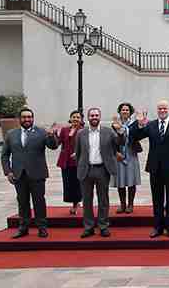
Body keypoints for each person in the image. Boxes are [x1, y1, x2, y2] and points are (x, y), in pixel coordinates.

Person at [131, 100, 169, 238]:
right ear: (157, 110)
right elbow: (136, 136)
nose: (162, 110)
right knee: (157, 199)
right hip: (155, 168)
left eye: (164, 108)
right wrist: (138, 123)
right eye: (160, 108)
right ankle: (157, 227)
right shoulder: (151, 125)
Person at [1, 108, 59, 238]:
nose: (27, 119)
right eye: (24, 117)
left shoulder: (41, 132)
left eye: (29, 117)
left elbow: (53, 146)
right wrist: (8, 172)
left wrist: (51, 135)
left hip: (37, 174)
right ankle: (23, 227)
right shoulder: (11, 134)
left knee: (39, 201)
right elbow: (5, 155)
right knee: (22, 202)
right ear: (19, 119)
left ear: (33, 118)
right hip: (18, 174)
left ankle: (42, 227)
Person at [74, 108, 126, 238]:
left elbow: (120, 143)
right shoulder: (81, 133)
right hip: (86, 169)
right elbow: (78, 152)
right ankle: (88, 227)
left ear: (100, 117)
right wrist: (80, 166)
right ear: (88, 117)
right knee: (87, 200)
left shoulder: (108, 132)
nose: (94, 117)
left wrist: (120, 131)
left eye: (96, 115)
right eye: (92, 115)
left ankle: (103, 226)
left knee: (103, 200)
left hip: (102, 169)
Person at [112, 102, 142, 214]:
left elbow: (138, 135)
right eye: (123, 110)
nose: (125, 111)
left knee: (131, 180)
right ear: (119, 112)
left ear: (130, 112)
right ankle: (122, 204)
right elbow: (111, 140)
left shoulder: (134, 124)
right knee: (120, 180)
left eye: (127, 110)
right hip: (119, 155)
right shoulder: (115, 124)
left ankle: (130, 204)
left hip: (131, 152)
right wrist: (115, 152)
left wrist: (140, 125)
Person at [56, 110, 84, 215]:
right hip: (66, 161)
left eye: (78, 117)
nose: (75, 119)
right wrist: (53, 134)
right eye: (74, 117)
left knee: (77, 184)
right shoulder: (64, 130)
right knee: (68, 184)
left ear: (81, 120)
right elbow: (57, 142)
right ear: (70, 118)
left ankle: (76, 204)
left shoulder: (83, 130)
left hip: (78, 161)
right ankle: (73, 203)